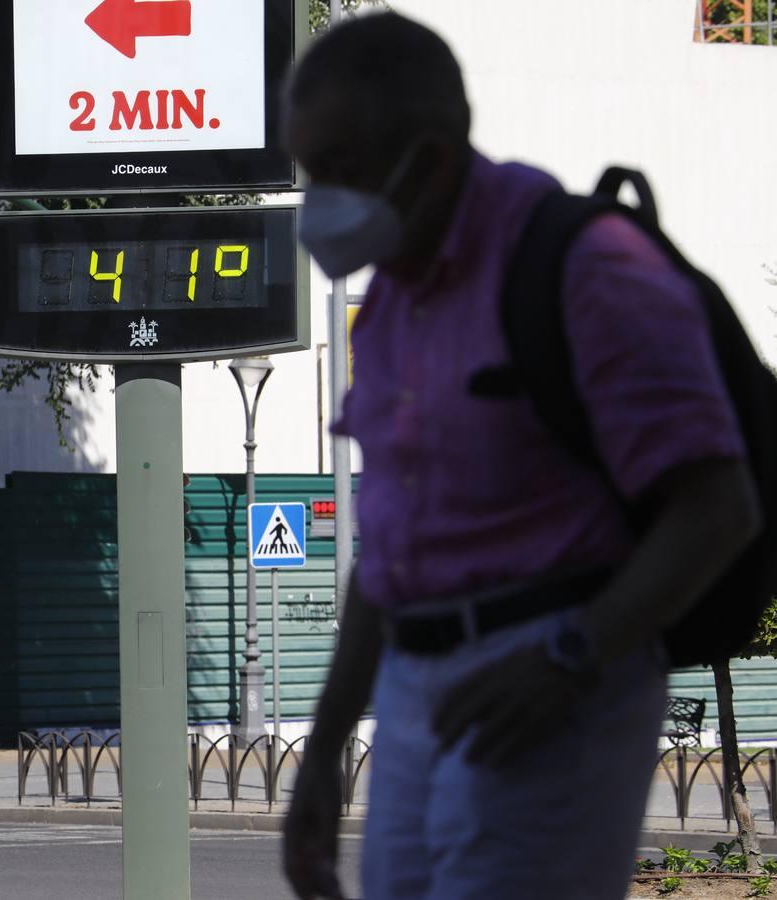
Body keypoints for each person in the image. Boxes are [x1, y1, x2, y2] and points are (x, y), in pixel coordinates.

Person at [281, 12, 761, 900]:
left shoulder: (586, 267)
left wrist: (570, 658)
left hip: (553, 688)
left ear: (426, 159)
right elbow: (385, 559)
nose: (321, 203)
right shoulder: (389, 300)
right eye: (310, 174)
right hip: (416, 696)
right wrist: (325, 750)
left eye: (339, 171)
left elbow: (718, 506)